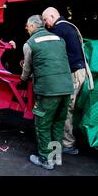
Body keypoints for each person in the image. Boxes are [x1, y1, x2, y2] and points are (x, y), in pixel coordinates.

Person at [19, 15, 73, 170]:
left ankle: (45, 159)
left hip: (48, 89)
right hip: (66, 87)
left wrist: (22, 80)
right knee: (58, 122)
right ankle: (56, 156)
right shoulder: (58, 39)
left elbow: (27, 69)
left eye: (27, 26)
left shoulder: (30, 43)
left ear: (32, 26)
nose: (26, 29)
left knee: (43, 124)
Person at [42, 7, 94, 155]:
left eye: (46, 20)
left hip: (74, 73)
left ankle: (67, 144)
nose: (46, 24)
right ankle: (67, 141)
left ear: (53, 16)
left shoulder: (59, 29)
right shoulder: (68, 27)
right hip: (79, 71)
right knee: (69, 108)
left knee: (66, 108)